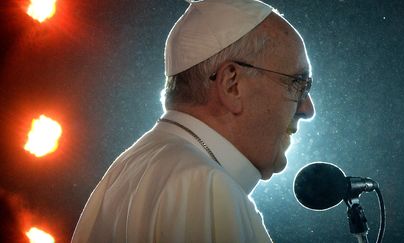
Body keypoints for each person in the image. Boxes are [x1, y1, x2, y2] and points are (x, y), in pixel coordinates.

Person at [72, 0, 315, 242]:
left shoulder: (125, 171)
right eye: (297, 84)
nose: (307, 109)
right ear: (233, 85)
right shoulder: (205, 187)